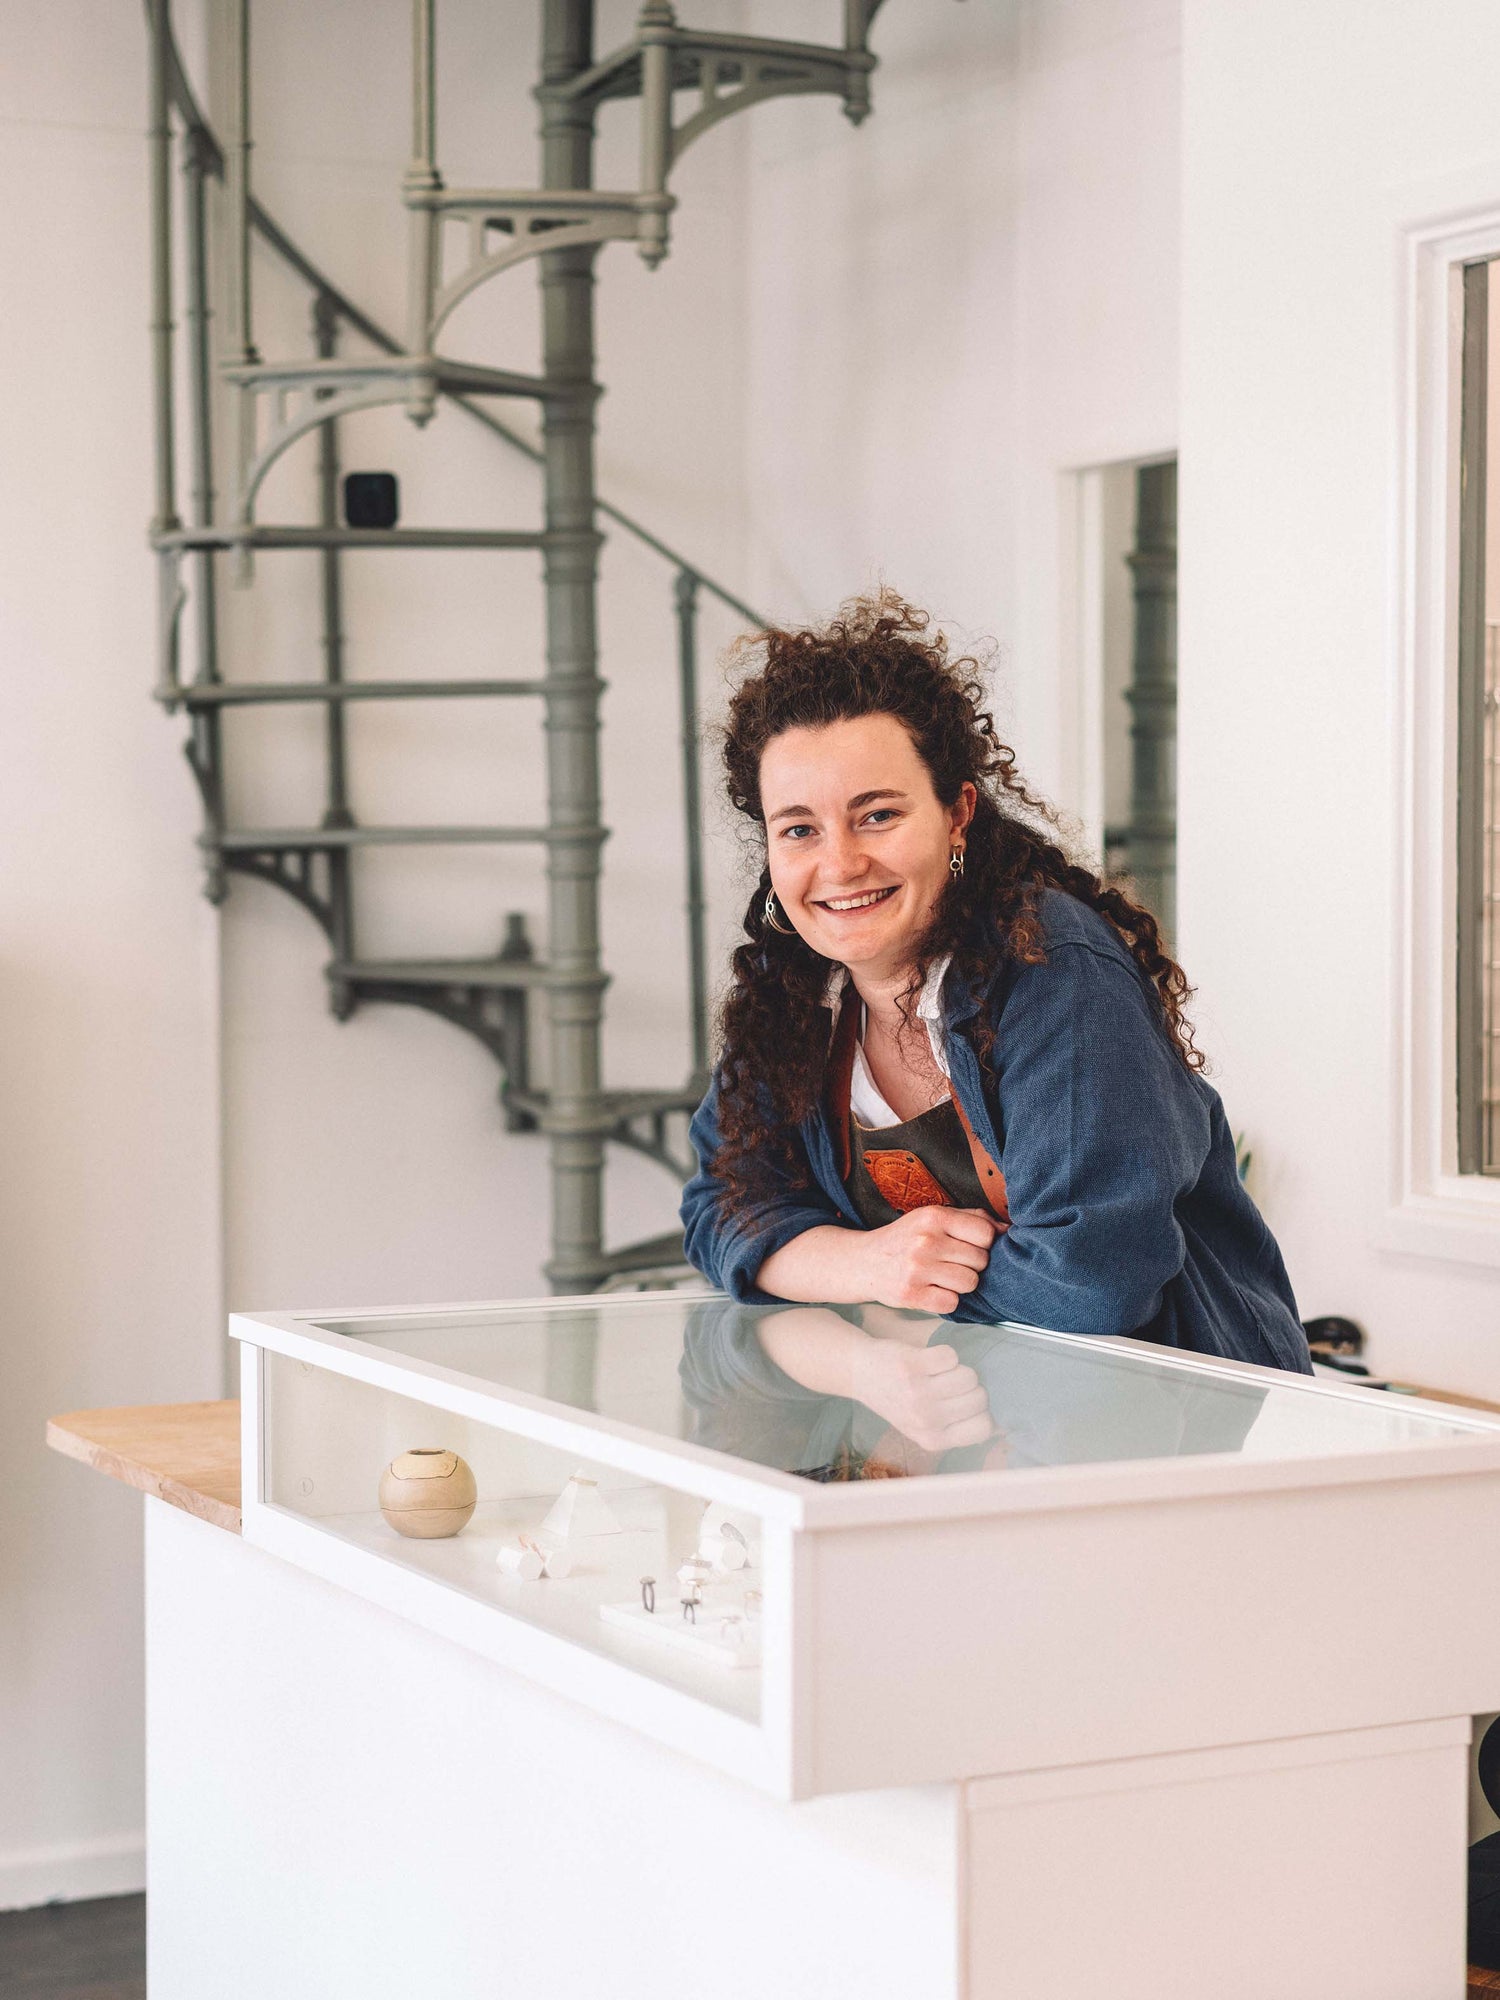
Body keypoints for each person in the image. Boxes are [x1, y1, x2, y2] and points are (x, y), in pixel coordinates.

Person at [679, 591, 1310, 1450]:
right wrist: (870, 1267)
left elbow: (1091, 1284)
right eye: (799, 829)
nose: (839, 863)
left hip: (1159, 1441)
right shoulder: (798, 998)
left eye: (878, 813)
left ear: (958, 815)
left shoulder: (1055, 971)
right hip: (943, 1433)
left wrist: (875, 1308)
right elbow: (722, 1203)